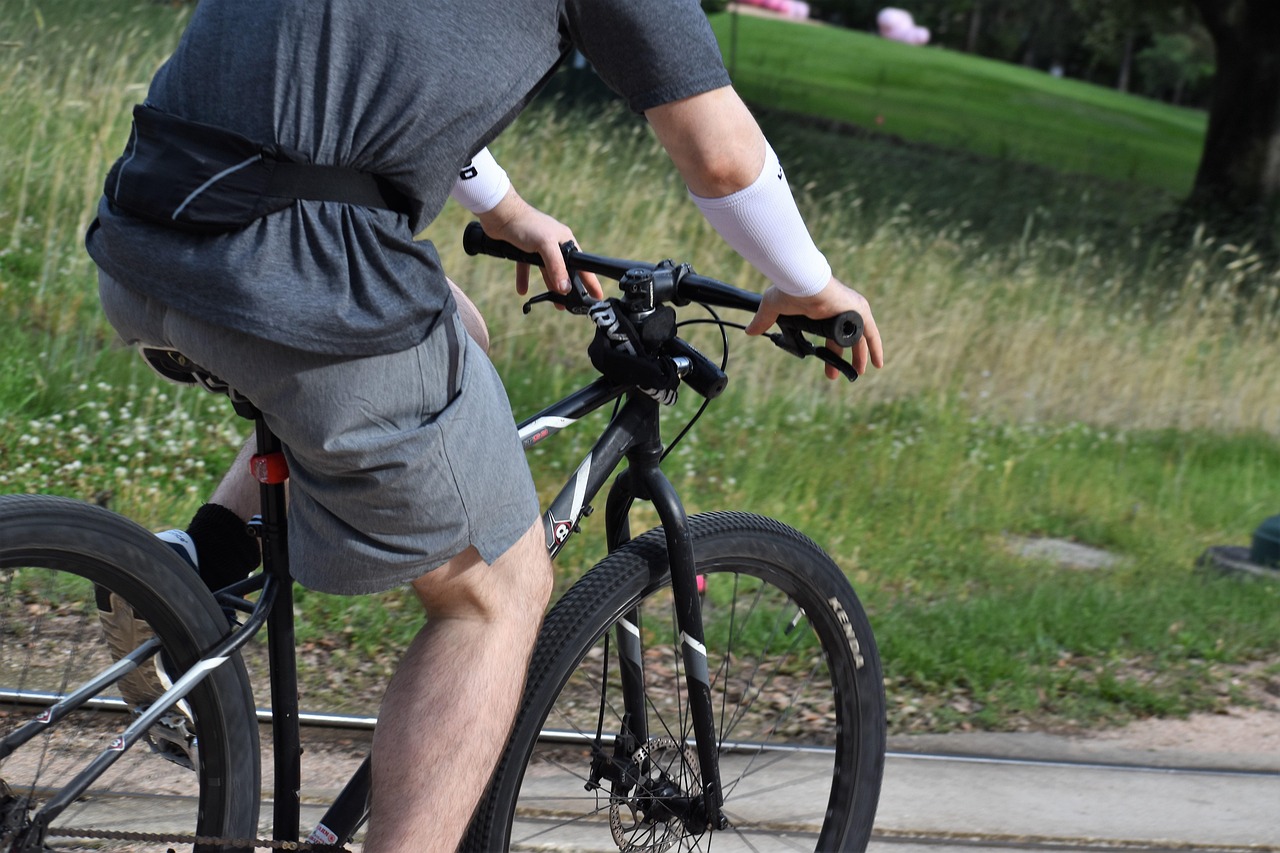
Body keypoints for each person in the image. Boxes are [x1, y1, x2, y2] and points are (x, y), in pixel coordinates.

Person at [85, 1, 884, 850]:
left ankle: (194, 561)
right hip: (293, 274)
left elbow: (378, 58)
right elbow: (719, 152)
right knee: (500, 591)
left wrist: (506, 211)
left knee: (455, 328)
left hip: (148, 225)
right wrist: (808, 278)